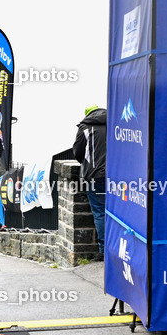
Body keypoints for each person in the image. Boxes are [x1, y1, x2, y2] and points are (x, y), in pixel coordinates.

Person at [73, 104, 107, 256]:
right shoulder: (115, 122)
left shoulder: (85, 127)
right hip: (120, 176)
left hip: (95, 175)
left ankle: (104, 250)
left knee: (100, 212)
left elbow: (78, 153)